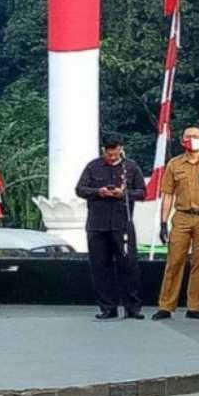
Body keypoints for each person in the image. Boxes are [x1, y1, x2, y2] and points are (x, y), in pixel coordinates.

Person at [152, 125, 199, 321]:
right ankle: (166, 306)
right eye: (188, 136)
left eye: (195, 136)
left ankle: (194, 306)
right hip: (182, 217)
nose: (192, 139)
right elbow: (168, 195)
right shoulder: (174, 164)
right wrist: (163, 223)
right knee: (174, 260)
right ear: (181, 141)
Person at [75, 135, 146, 320]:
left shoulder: (130, 167)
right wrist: (98, 192)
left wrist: (123, 194)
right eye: (108, 153)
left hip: (122, 224)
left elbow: (142, 193)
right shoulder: (93, 166)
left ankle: (132, 307)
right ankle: (108, 308)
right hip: (97, 225)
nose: (112, 157)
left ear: (120, 149)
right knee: (100, 267)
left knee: (129, 266)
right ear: (103, 150)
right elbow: (80, 189)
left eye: (115, 154)